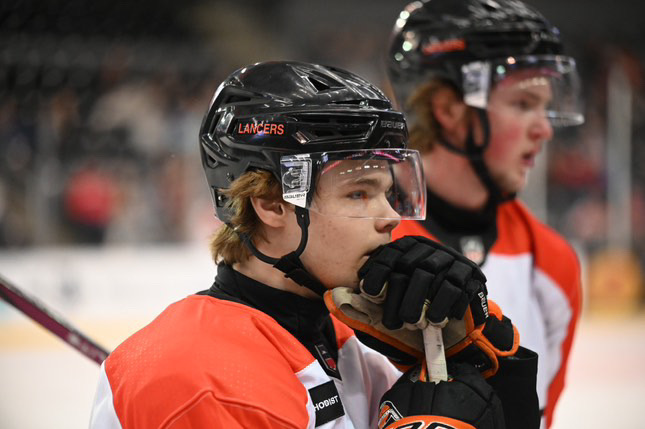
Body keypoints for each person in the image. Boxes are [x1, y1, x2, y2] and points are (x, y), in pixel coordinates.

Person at [89, 61, 538, 428]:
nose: (390, 218)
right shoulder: (203, 381)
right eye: (358, 193)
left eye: (387, 192)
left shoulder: (354, 337)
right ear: (270, 203)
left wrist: (489, 357)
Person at [385, 1, 585, 427]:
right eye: (524, 102)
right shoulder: (357, 246)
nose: (545, 128)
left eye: (545, 105)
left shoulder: (553, 262)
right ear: (449, 108)